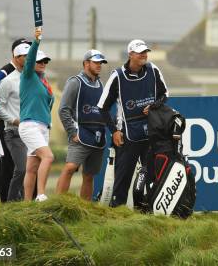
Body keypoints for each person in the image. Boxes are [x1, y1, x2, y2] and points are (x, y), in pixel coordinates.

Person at [97, 39, 168, 207]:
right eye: (140, 52)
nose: (144, 55)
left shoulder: (153, 70)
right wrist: (114, 131)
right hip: (127, 135)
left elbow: (164, 95)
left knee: (152, 175)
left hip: (151, 132)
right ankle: (118, 210)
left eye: (145, 52)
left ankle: (149, 209)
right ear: (130, 54)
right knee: (123, 177)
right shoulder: (118, 76)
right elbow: (102, 107)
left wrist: (154, 106)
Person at [56, 49, 111, 200]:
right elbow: (63, 110)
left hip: (97, 137)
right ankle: (57, 204)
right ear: (86, 63)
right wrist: (72, 132)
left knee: (89, 175)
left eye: (101, 63)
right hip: (80, 134)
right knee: (70, 168)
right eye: (96, 62)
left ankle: (85, 209)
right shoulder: (75, 82)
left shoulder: (101, 84)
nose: (99, 65)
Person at [0, 37, 31, 202]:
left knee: (22, 167)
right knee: (9, 167)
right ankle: (7, 202)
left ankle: (20, 200)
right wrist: (12, 120)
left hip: (25, 128)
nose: (29, 57)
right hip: (7, 127)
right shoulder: (5, 74)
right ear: (15, 55)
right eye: (24, 53)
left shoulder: (29, 75)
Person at [19, 27, 54, 202]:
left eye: (45, 61)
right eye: (39, 60)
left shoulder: (43, 80)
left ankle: (26, 203)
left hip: (42, 126)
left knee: (32, 166)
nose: (42, 63)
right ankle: (40, 194)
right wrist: (36, 41)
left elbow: (48, 103)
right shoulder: (28, 76)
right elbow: (30, 59)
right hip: (30, 125)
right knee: (48, 157)